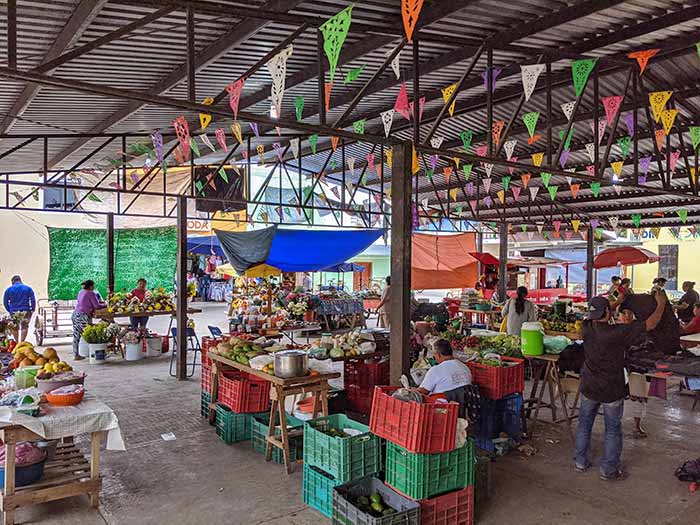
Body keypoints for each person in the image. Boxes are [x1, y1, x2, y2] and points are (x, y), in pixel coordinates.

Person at [574, 291, 666, 481]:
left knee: (584, 425)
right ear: (608, 313)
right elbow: (651, 324)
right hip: (611, 389)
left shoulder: (586, 327)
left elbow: (600, 315)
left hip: (589, 386)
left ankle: (580, 461)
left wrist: (616, 303)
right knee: (612, 430)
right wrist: (661, 304)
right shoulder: (618, 333)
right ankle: (608, 470)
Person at [616, 308, 649, 439]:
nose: (625, 316)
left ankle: (637, 425)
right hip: (619, 368)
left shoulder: (639, 327)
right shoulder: (614, 329)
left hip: (636, 368)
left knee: (639, 396)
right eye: (622, 313)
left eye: (628, 313)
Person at [72, 280, 106, 360]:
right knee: (90, 335)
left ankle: (76, 354)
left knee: (76, 335)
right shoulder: (91, 293)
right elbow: (96, 306)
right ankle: (93, 354)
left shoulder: (81, 292)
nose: (94, 287)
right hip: (83, 316)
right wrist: (105, 305)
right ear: (90, 286)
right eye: (93, 285)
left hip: (76, 314)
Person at [2, 275, 36, 342]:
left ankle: (17, 342)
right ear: (20, 280)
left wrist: (9, 310)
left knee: (15, 328)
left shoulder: (8, 290)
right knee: (24, 327)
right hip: (25, 310)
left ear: (13, 281)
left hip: (14, 311)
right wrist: (32, 309)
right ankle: (22, 342)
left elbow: (5, 302)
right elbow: (32, 300)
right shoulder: (28, 288)